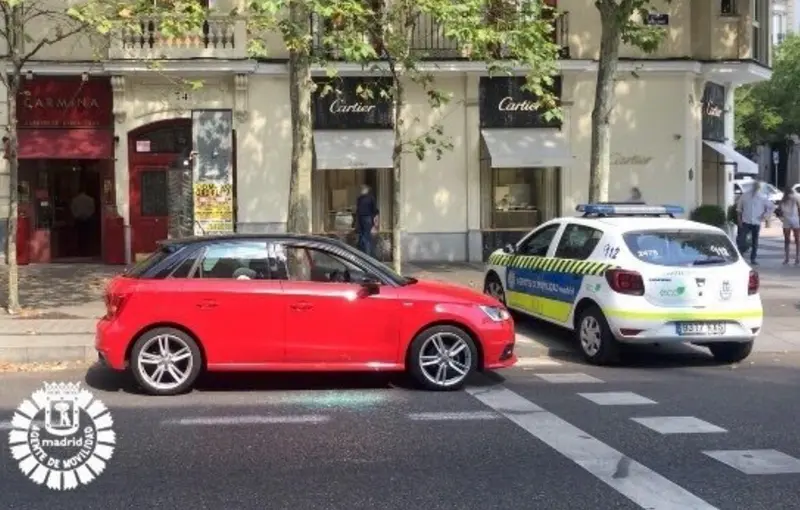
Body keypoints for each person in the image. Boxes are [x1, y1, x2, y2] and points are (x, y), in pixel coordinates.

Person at [736, 181, 774, 266]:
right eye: (755, 186)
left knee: (755, 241)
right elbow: (739, 209)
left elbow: (771, 207)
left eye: (758, 186)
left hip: (756, 222)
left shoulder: (762, 197)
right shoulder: (745, 195)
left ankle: (753, 259)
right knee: (742, 240)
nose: (756, 188)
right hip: (746, 221)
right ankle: (740, 256)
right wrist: (739, 220)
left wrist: (764, 216)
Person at [354, 184, 379, 256]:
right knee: (365, 237)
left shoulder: (362, 198)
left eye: (363, 189)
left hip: (364, 218)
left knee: (364, 237)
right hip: (365, 219)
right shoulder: (367, 198)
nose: (361, 190)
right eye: (362, 189)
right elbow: (374, 210)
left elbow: (358, 210)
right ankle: (366, 255)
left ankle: (365, 255)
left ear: (367, 190)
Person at [778, 185, 800, 265]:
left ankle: (787, 258)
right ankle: (797, 258)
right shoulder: (795, 197)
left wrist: (781, 218)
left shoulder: (784, 199)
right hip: (795, 220)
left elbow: (779, 210)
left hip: (787, 220)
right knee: (797, 239)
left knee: (787, 240)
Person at [71, 188, 95, 257]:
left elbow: (73, 209)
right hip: (88, 219)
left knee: (80, 236)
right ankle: (87, 251)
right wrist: (88, 215)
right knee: (87, 236)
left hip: (79, 219)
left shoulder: (75, 199)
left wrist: (77, 216)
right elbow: (92, 209)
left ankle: (81, 251)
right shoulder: (90, 199)